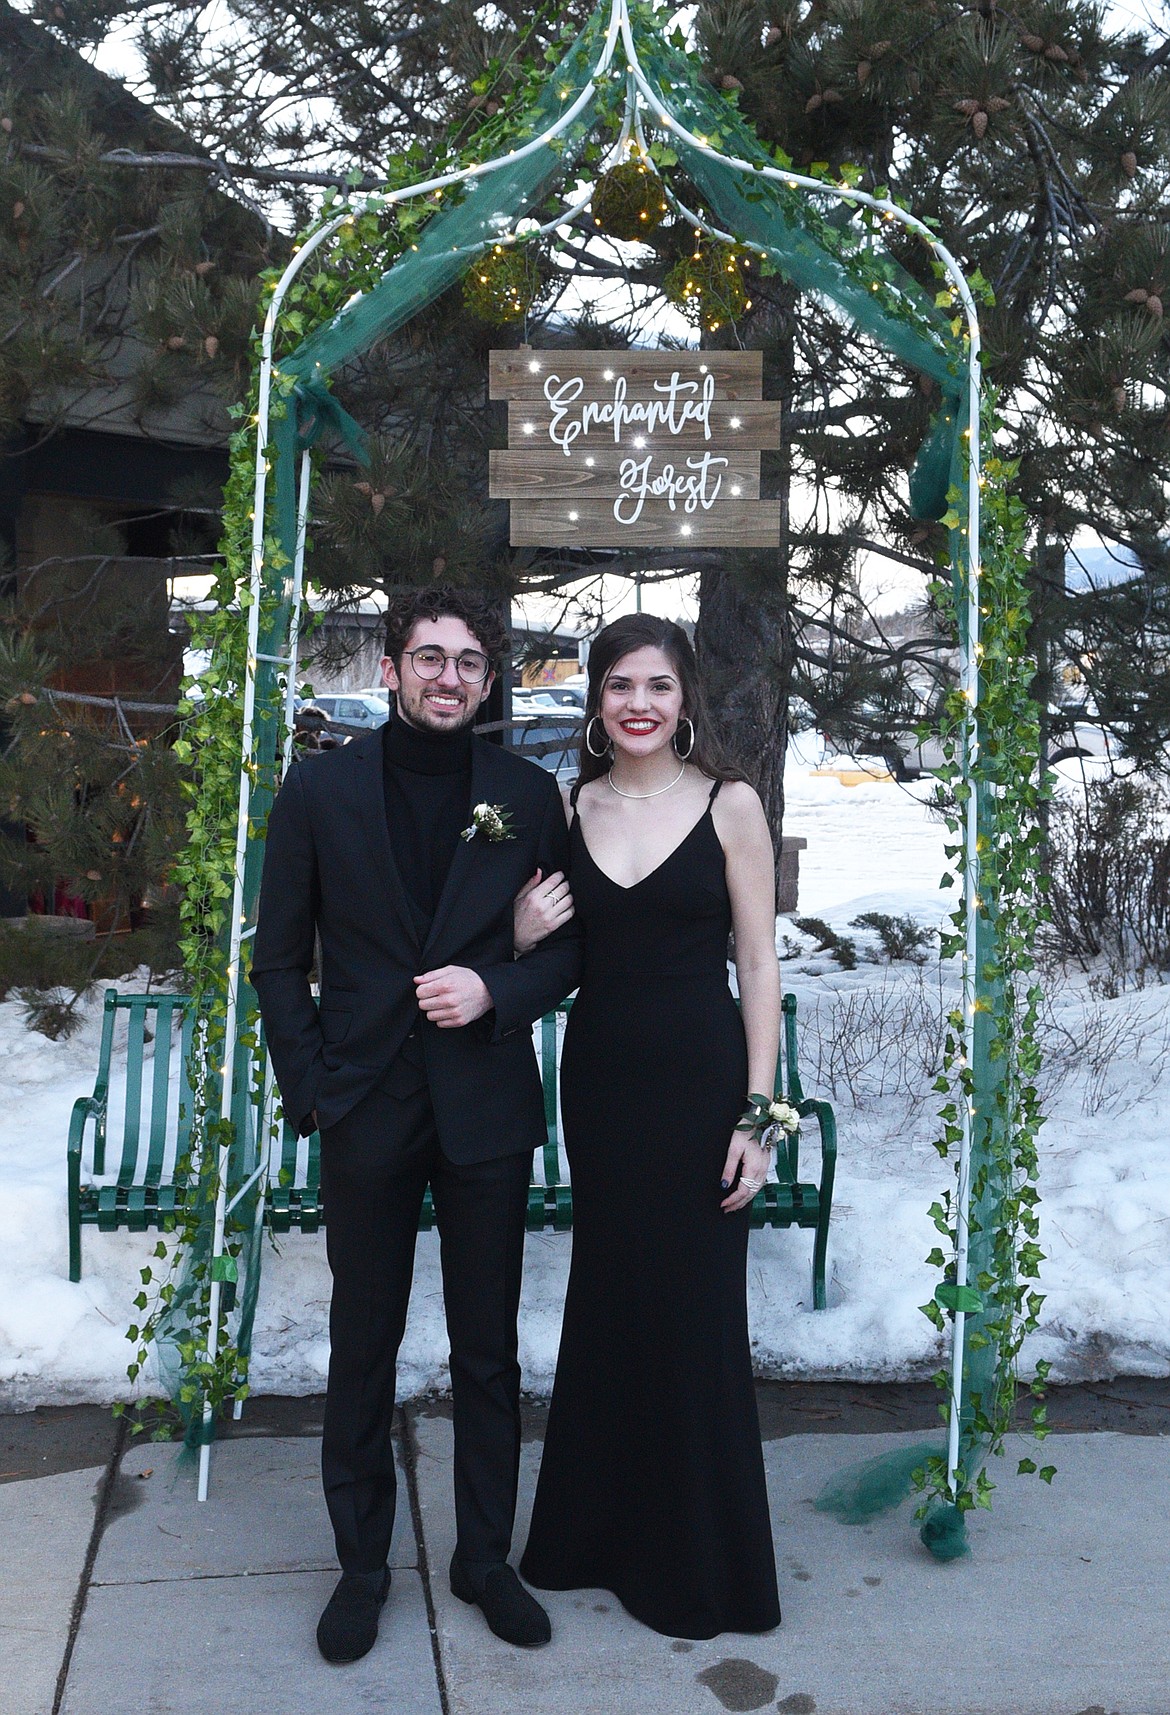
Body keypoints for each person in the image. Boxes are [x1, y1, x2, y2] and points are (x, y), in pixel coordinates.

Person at [251, 588, 581, 1664]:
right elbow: (279, 958)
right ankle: (361, 1563)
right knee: (364, 1342)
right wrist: (312, 1088)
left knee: (487, 1349)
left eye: (470, 663)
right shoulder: (319, 790)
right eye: (430, 657)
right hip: (367, 1108)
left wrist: (499, 988)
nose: (449, 676)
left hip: (484, 1105)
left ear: (491, 682)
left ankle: (485, 1556)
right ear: (390, 668)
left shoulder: (529, 795)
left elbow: (569, 949)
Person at [516, 613, 783, 1640]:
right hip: (603, 1086)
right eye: (619, 685)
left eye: (657, 686)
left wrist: (759, 1114)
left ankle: (700, 1564)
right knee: (614, 1300)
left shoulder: (731, 804)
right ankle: (594, 1539)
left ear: (685, 699)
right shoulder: (568, 806)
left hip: (702, 1084)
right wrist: (518, 930)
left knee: (696, 1315)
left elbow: (758, 964)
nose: (638, 702)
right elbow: (550, 945)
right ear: (595, 700)